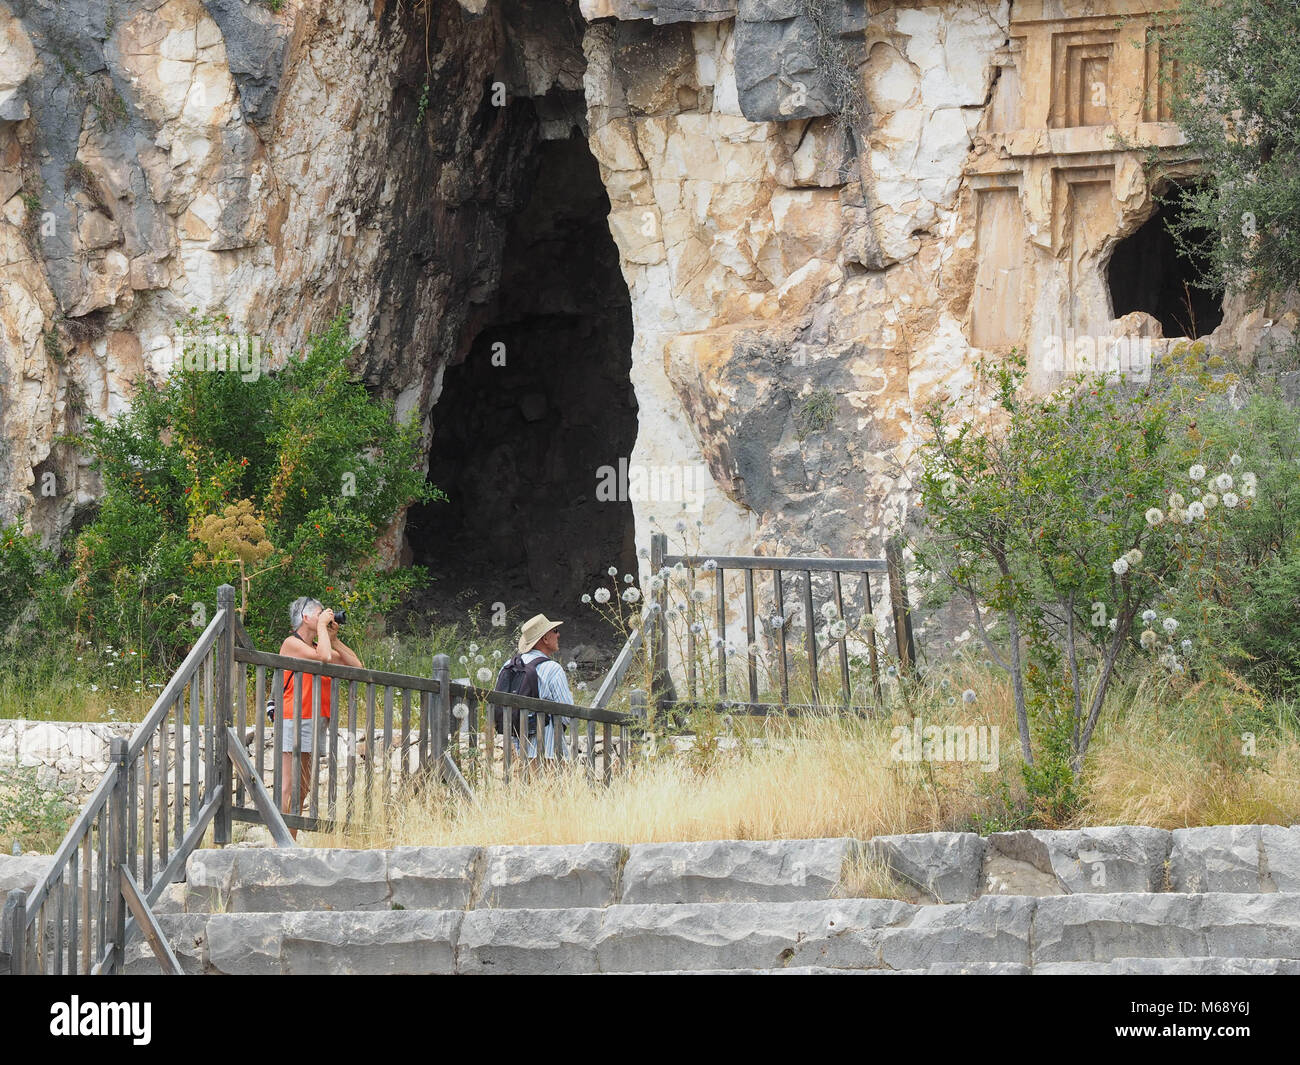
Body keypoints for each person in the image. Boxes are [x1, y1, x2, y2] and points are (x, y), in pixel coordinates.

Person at [278, 596, 363, 836]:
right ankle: (282, 843)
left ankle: (288, 840)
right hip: (295, 717)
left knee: (302, 788)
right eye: (319, 614)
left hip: (316, 721)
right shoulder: (291, 644)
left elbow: (356, 667)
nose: (325, 618)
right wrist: (325, 633)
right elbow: (324, 658)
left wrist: (334, 639)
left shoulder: (318, 647)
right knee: (290, 786)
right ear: (305, 618)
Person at [513, 613, 574, 763]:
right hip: (547, 751)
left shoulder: (509, 666)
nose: (558, 634)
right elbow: (567, 713)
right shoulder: (553, 669)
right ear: (545, 639)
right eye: (555, 631)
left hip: (514, 748)